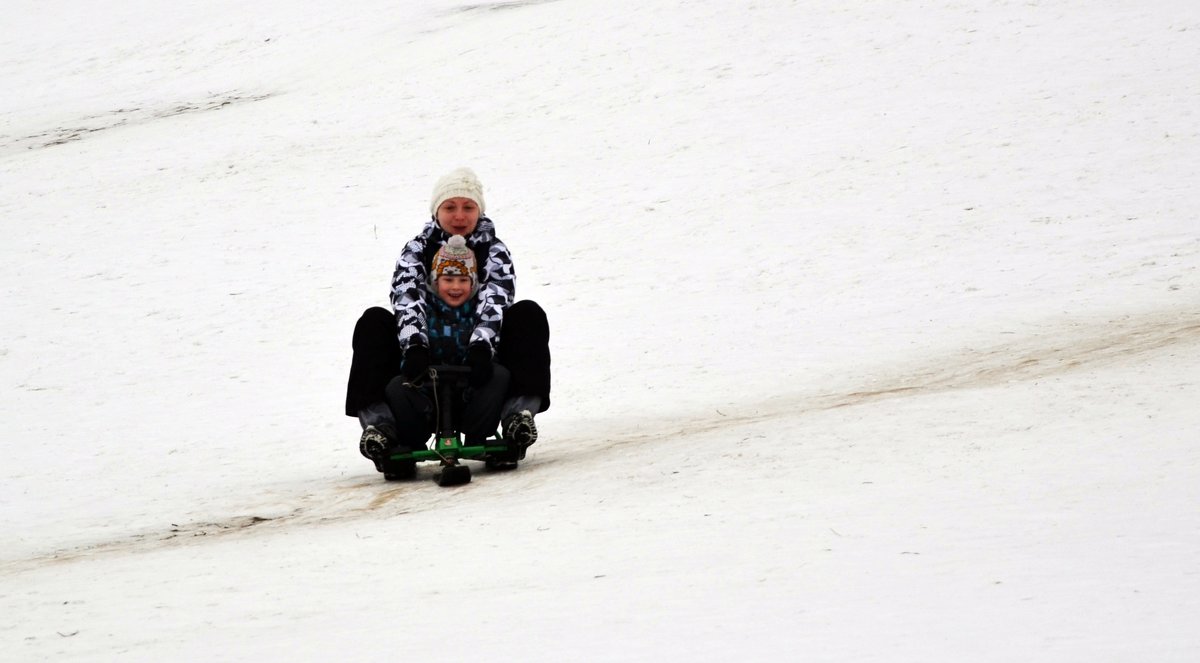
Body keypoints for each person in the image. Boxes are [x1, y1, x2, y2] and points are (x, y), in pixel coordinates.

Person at [345, 167, 550, 471]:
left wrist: (481, 347)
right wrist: (415, 345)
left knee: (528, 315)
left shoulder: (493, 250)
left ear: (479, 210)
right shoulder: (417, 249)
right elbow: (406, 297)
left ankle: (516, 419)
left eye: (468, 207)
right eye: (450, 207)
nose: (459, 216)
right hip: (421, 365)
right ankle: (381, 429)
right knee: (373, 322)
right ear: (436, 210)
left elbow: (496, 300)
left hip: (479, 364)